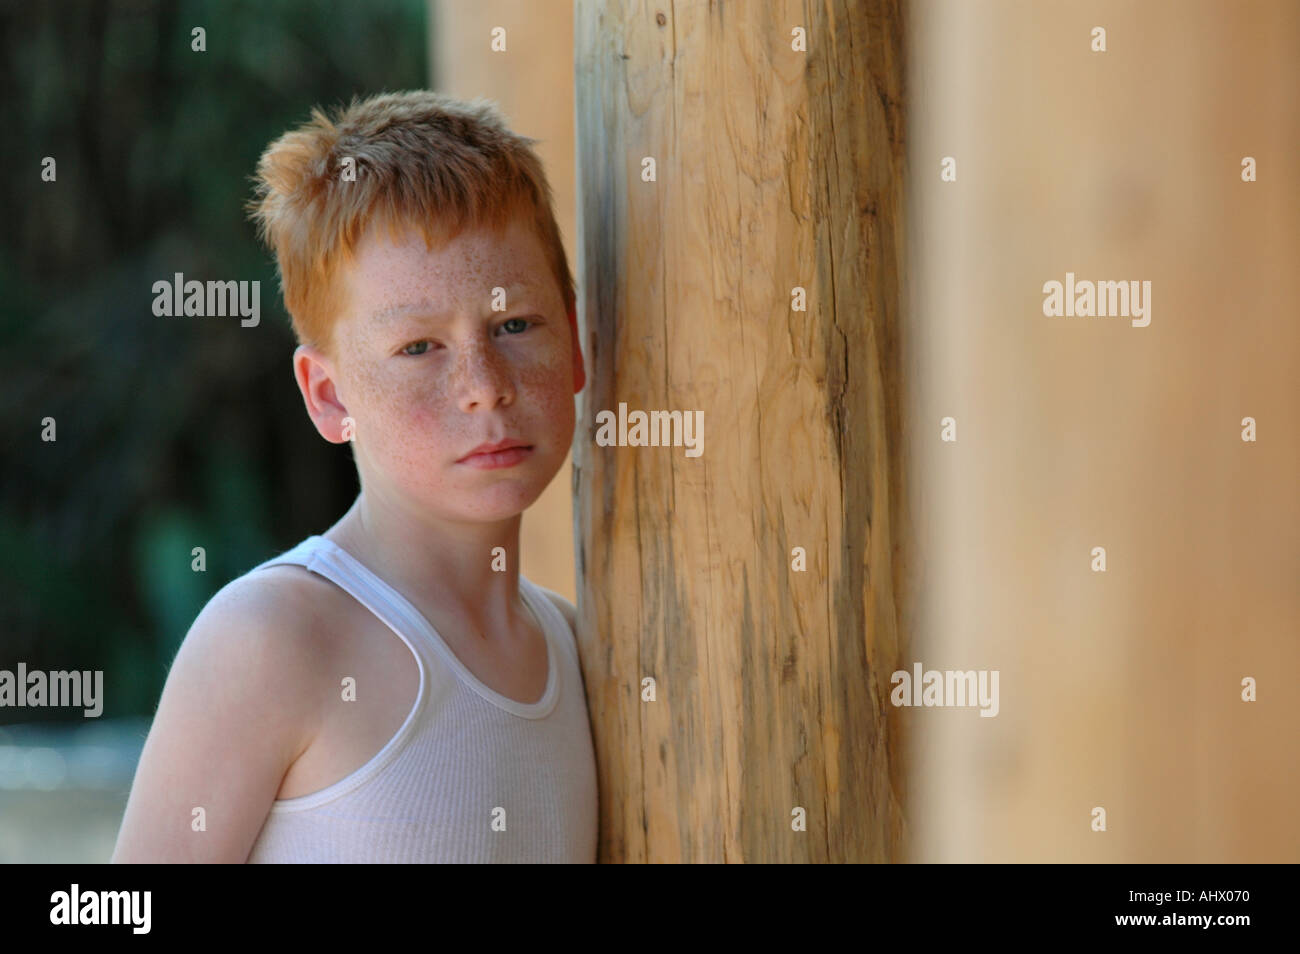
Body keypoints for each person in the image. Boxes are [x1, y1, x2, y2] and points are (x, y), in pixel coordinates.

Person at [111, 91, 597, 862]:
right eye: (418, 348)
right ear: (330, 397)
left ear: (574, 344)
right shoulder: (274, 639)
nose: (484, 383)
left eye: (514, 325)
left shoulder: (580, 652)